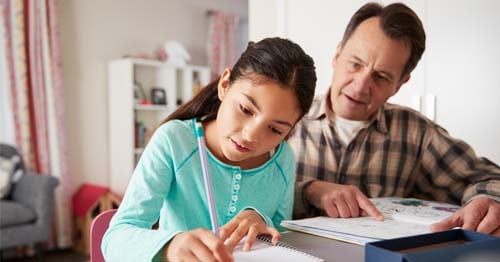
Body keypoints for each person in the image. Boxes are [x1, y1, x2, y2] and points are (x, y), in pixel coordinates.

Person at [288, 2, 500, 236]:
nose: (360, 87)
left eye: (381, 77)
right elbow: (243, 191)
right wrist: (309, 192)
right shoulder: (285, 117)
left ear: (399, 84)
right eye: (355, 64)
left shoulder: (416, 134)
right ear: (337, 55)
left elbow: (490, 178)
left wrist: (486, 200)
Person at [102, 37, 316, 261]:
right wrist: (171, 247)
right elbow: (114, 239)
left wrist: (262, 222)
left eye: (274, 129)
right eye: (245, 109)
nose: (251, 135)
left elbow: (283, 240)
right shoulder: (174, 141)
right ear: (224, 85)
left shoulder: (283, 161)